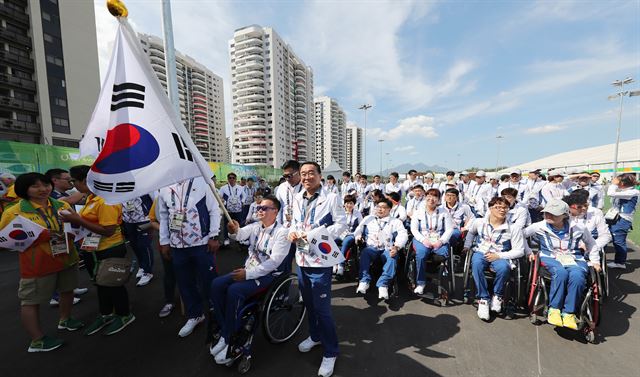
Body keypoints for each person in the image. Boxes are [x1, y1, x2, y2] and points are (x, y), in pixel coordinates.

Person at [0, 173, 83, 352]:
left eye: (45, 185)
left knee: (67, 290)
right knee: (30, 301)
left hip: (66, 257)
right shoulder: (14, 211)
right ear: (24, 189)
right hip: (37, 264)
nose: (43, 189)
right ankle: (37, 340)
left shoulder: (62, 205)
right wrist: (42, 235)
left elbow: (75, 226)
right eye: (35, 186)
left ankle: (65, 319)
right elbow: (6, 241)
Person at [209, 195, 290, 364]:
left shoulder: (282, 233)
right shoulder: (255, 227)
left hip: (267, 275)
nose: (259, 210)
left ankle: (229, 336)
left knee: (234, 290)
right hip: (248, 270)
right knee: (216, 284)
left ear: (275, 211)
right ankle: (225, 329)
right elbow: (238, 235)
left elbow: (274, 262)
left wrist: (247, 274)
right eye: (258, 208)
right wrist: (233, 230)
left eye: (264, 208)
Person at [60, 165, 135, 336]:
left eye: (73, 181)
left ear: (84, 181)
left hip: (110, 248)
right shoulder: (91, 197)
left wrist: (76, 219)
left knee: (113, 283)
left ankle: (124, 314)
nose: (73, 186)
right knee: (100, 283)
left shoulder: (105, 200)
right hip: (92, 248)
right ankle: (106, 313)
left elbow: (108, 230)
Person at [288, 162, 347, 377]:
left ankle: (331, 351)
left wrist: (315, 234)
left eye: (311, 173)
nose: (306, 177)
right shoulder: (296, 197)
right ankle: (315, 336)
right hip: (302, 258)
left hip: (321, 260)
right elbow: (294, 223)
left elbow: (341, 225)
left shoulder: (331, 198)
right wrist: (293, 233)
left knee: (322, 308)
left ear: (320, 175)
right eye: (302, 174)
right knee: (309, 304)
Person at [157, 177, 221, 337]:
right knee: (185, 283)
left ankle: (217, 311)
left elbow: (214, 210)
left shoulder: (203, 181)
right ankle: (195, 315)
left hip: (201, 243)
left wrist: (214, 235)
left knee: (208, 280)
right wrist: (164, 241)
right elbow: (164, 216)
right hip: (177, 245)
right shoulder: (164, 185)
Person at [523, 199, 600, 330]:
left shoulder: (579, 227)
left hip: (574, 258)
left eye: (553, 214)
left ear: (565, 215)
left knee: (578, 276)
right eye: (546, 213)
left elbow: (591, 243)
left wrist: (595, 261)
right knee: (561, 273)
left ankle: (569, 313)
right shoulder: (539, 226)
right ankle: (554, 309)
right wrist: (528, 252)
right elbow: (520, 235)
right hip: (550, 257)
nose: (548, 216)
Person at [464, 196, 525, 320]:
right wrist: (467, 245)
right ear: (490, 208)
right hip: (482, 251)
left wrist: (499, 256)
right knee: (476, 264)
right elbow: (471, 233)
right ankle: (483, 298)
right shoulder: (479, 222)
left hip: (501, 254)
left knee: (503, 268)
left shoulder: (513, 228)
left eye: (505, 208)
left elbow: (519, 251)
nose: (502, 210)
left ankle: (497, 295)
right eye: (498, 207)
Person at [354, 198, 408, 299]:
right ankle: (364, 281)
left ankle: (383, 284)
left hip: (387, 248)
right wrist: (358, 237)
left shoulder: (396, 222)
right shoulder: (368, 219)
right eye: (378, 207)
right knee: (365, 252)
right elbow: (358, 230)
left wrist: (397, 247)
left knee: (392, 256)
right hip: (372, 248)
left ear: (389, 210)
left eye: (383, 208)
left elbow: (403, 235)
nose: (380, 209)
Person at [410, 188, 454, 295]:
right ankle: (421, 283)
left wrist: (441, 241)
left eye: (435, 197)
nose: (431, 199)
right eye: (429, 196)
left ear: (439, 200)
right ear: (425, 197)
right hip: (422, 239)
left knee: (443, 254)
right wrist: (423, 240)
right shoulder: (418, 212)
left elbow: (449, 229)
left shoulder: (444, 212)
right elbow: (414, 229)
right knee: (421, 254)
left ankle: (439, 273)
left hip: (438, 240)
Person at [147, 195, 177, 318]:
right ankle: (169, 301)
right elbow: (152, 220)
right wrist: (164, 229)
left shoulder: (189, 193)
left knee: (190, 273)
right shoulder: (160, 197)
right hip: (166, 243)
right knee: (169, 273)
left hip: (187, 243)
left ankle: (192, 300)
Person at [606, 174, 639, 269]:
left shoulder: (633, 192)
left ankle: (620, 263)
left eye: (618, 181)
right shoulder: (625, 191)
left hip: (622, 220)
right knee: (610, 237)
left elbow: (610, 193)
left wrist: (614, 184)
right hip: (615, 218)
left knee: (619, 241)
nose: (615, 181)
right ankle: (619, 261)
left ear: (623, 183)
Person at [121, 194, 155, 286]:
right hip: (128, 219)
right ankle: (142, 265)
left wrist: (154, 216)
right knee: (134, 244)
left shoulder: (141, 181)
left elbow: (154, 197)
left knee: (144, 244)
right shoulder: (119, 183)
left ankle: (148, 272)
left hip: (143, 218)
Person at [336, 194, 362, 276]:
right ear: (344, 204)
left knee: (345, 243)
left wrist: (358, 235)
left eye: (351, 203)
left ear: (354, 204)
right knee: (332, 241)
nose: (349, 205)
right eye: (347, 203)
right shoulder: (340, 212)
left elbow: (361, 225)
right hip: (340, 233)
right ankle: (334, 263)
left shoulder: (357, 213)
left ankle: (341, 265)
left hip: (351, 234)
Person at [219, 173, 246, 246]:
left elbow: (244, 196)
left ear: (236, 179)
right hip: (228, 210)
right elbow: (219, 197)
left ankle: (239, 238)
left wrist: (242, 202)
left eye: (233, 178)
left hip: (238, 210)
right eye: (230, 178)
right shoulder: (223, 188)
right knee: (226, 224)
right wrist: (224, 202)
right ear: (228, 179)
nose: (232, 179)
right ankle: (226, 239)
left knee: (238, 224)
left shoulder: (240, 188)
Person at [275, 160, 303, 227]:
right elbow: (278, 209)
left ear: (299, 172)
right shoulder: (282, 187)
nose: (287, 179)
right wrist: (277, 226)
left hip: (301, 227)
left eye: (289, 176)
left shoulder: (306, 187)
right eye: (285, 176)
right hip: (285, 226)